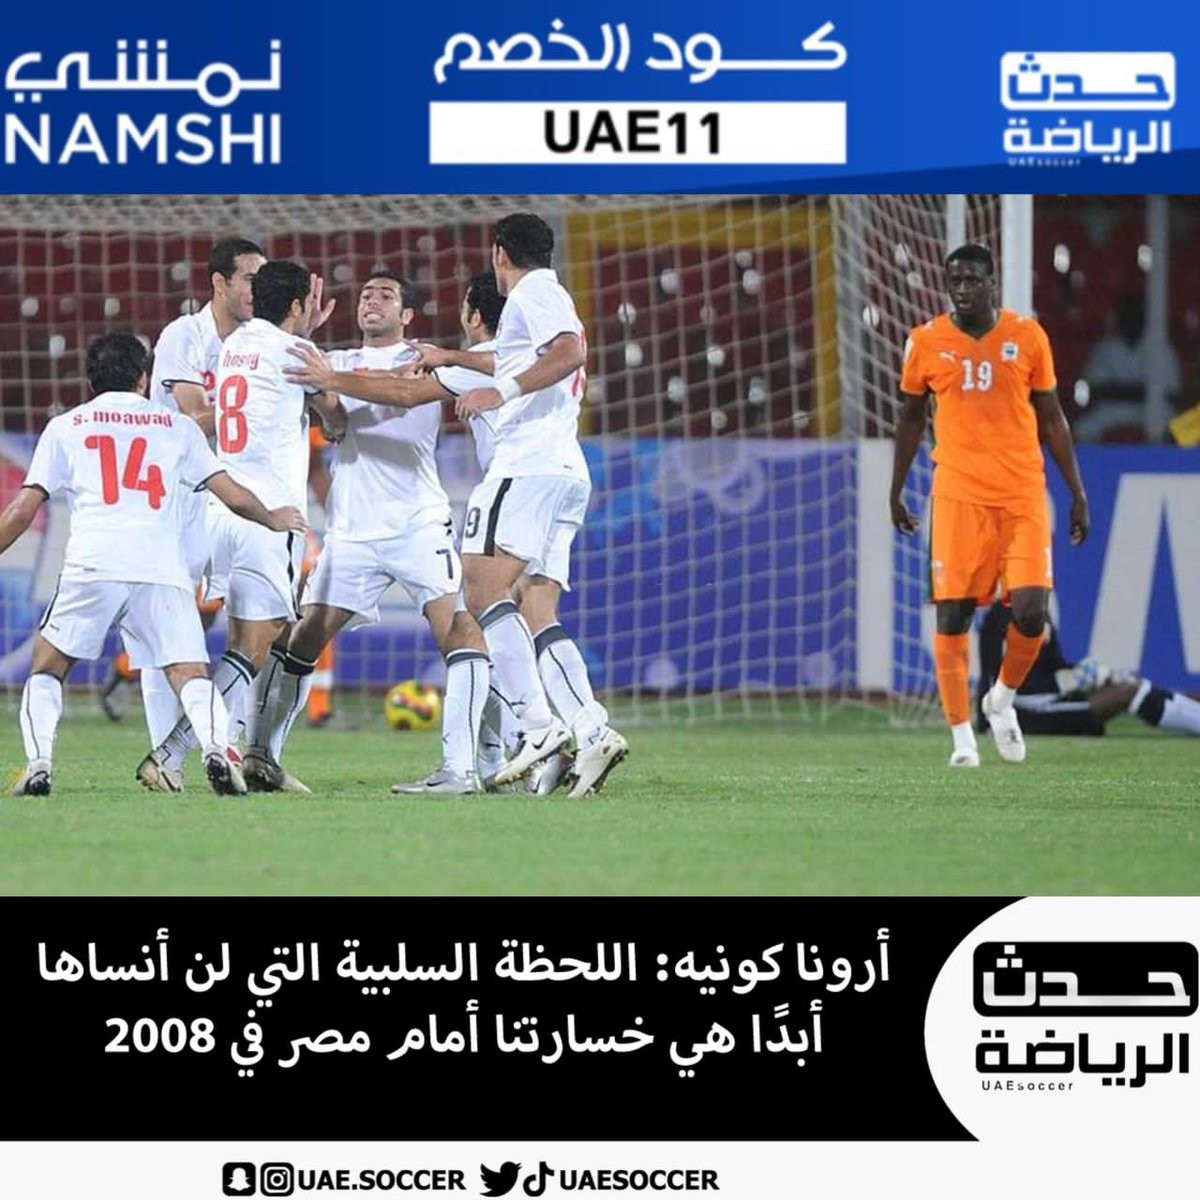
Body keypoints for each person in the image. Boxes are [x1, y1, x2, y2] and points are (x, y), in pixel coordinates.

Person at [0, 333, 305, 796]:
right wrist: (271, 517)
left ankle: (39, 764)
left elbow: (22, 511)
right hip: (161, 568)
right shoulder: (177, 427)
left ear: (90, 380)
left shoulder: (66, 427)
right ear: (143, 379)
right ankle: (218, 750)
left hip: (93, 566)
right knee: (190, 674)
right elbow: (232, 494)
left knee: (48, 666)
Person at [244, 269, 491, 794]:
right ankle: (260, 756)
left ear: (407, 315)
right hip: (352, 530)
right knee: (303, 637)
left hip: (418, 523)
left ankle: (466, 767)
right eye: (365, 294)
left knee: (459, 631)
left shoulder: (423, 359)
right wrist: (315, 367)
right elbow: (334, 426)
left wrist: (330, 382)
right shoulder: (331, 361)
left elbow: (404, 395)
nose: (372, 300)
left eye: (386, 295)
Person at [136, 261, 344, 792]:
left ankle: (237, 752)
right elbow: (337, 421)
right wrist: (320, 367)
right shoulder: (296, 351)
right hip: (268, 513)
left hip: (221, 507)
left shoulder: (233, 347)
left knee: (247, 639)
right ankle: (174, 753)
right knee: (260, 640)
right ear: (297, 305)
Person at [890, 242, 1090, 768]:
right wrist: (896, 489)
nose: (963, 289)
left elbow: (1052, 417)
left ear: (991, 282)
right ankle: (962, 739)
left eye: (972, 279)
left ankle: (1000, 699)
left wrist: (1077, 493)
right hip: (959, 496)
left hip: (1022, 493)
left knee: (1032, 615)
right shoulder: (925, 341)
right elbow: (910, 420)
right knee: (953, 615)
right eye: (954, 280)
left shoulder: (1028, 337)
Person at [100, 237, 266, 737]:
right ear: (220, 282)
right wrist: (258, 406)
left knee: (256, 620)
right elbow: (193, 418)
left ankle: (235, 744)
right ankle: (164, 747)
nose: (259, 290)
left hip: (236, 495)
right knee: (166, 625)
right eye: (250, 279)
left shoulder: (259, 341)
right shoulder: (184, 336)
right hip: (179, 501)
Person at [976, 602, 1200, 738]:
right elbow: (1011, 687)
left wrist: (1088, 674)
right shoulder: (1003, 616)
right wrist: (1072, 681)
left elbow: (1055, 665)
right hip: (1025, 713)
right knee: (1128, 693)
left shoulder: (1039, 608)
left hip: (1046, 700)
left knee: (1134, 685)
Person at [1076, 291, 1182, 442]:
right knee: (1082, 429)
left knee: (1175, 429)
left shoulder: (1161, 347)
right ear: (1119, 317)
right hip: (1113, 408)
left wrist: (1124, 389)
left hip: (1151, 408)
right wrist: (1139, 389)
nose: (1132, 319)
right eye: (1127, 314)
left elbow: (1172, 392)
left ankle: (1159, 458)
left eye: (1136, 314)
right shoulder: (1106, 347)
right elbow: (1095, 388)